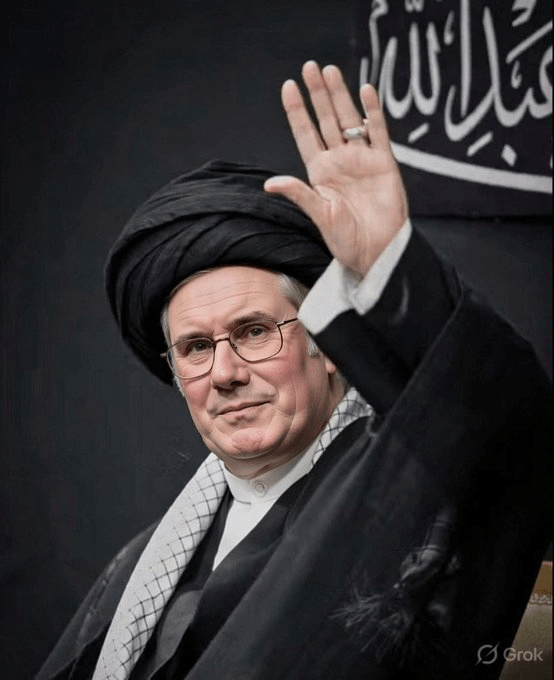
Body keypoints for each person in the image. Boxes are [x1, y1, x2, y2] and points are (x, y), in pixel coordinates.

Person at [37, 62, 551, 680]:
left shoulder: (418, 492)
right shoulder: (139, 565)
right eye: (195, 348)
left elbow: (505, 426)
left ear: (327, 343)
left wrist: (387, 261)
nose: (224, 373)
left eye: (254, 332)